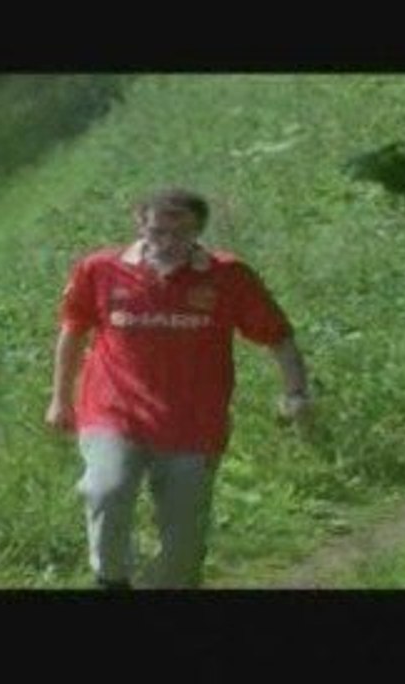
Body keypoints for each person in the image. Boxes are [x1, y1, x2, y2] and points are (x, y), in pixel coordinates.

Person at [45, 187, 314, 589]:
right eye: (156, 232)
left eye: (179, 232)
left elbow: (278, 335)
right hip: (113, 411)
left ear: (198, 231)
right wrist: (60, 399)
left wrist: (295, 392)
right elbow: (73, 330)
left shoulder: (228, 276)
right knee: (106, 489)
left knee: (183, 543)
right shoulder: (100, 269)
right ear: (140, 226)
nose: (166, 243)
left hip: (193, 423)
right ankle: (111, 579)